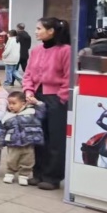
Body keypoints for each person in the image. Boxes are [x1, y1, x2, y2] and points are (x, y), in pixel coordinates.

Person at [23, 17, 72, 190]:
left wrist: (61, 98)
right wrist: (28, 91)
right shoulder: (36, 50)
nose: (35, 31)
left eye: (39, 28)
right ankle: (38, 173)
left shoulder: (66, 50)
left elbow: (69, 78)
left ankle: (53, 176)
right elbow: (28, 73)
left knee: (55, 139)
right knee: (38, 135)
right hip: (36, 95)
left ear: (51, 31)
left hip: (56, 99)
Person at [0, 91, 46, 186]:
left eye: (14, 103)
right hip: (13, 143)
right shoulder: (7, 116)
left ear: (23, 103)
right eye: (9, 103)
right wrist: (0, 142)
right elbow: (1, 130)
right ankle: (10, 173)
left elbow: (42, 113)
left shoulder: (31, 112)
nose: (11, 106)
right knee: (12, 159)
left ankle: (24, 175)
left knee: (28, 160)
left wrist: (37, 103)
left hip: (28, 142)